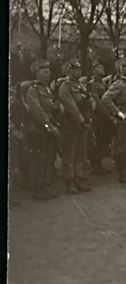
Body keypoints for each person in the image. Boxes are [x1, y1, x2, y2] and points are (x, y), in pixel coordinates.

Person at [24, 59, 61, 200]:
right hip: (39, 129)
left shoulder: (48, 90)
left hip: (49, 129)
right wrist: (50, 127)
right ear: (36, 73)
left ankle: (45, 185)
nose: (48, 74)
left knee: (48, 158)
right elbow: (37, 112)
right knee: (38, 159)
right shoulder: (32, 90)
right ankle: (37, 188)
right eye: (44, 71)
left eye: (49, 71)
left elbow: (51, 109)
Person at [101, 57, 126, 184]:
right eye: (125, 68)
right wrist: (117, 112)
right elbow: (105, 99)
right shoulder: (118, 84)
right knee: (122, 147)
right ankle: (122, 173)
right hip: (124, 119)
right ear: (120, 70)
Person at [57, 58, 93, 193]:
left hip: (82, 123)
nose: (79, 71)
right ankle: (69, 180)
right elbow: (70, 106)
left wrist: (88, 118)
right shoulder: (65, 86)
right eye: (75, 69)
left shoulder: (81, 86)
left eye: (79, 69)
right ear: (69, 71)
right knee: (69, 154)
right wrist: (81, 120)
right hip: (70, 124)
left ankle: (79, 178)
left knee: (80, 153)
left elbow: (87, 102)